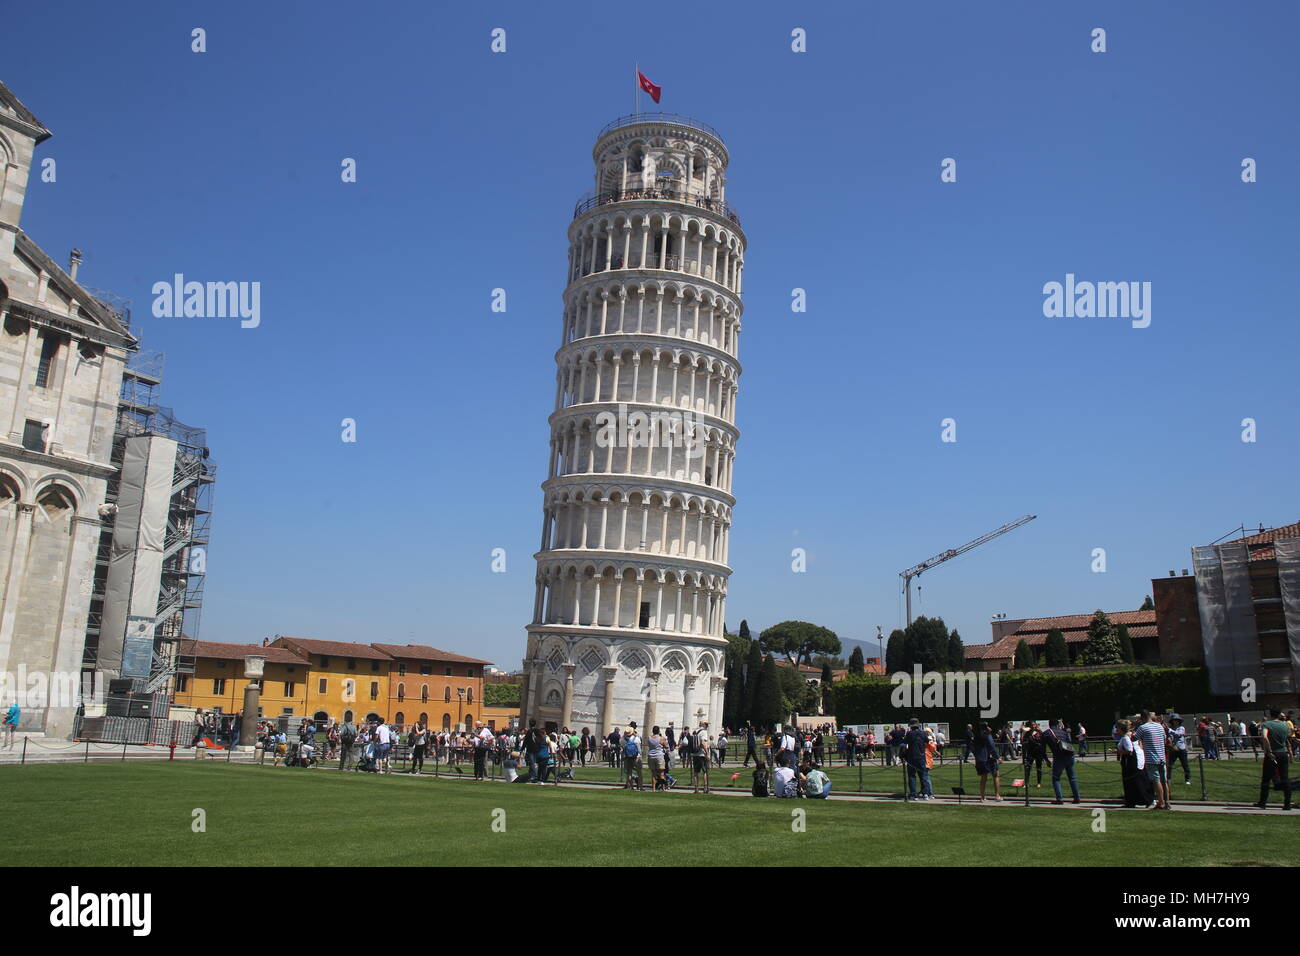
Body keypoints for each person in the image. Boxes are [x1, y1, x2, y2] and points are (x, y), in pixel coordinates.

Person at [1256, 708, 1292, 811]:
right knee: (1285, 778)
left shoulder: (1267, 724)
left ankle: (1262, 802)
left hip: (1272, 753)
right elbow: (1287, 737)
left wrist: (1269, 750)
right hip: (1283, 753)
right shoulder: (1284, 725)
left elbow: (1264, 737)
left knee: (1266, 779)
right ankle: (1287, 804)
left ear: (1270, 714)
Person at [1134, 711, 1170, 810]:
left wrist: (1136, 726)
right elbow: (1164, 739)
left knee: (1156, 781)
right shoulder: (1159, 726)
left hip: (1151, 758)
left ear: (1142, 718)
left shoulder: (1143, 727)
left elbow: (1133, 738)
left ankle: (1161, 802)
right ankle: (1167, 802)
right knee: (1164, 780)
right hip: (1161, 756)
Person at [1043, 718, 1080, 804]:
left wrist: (1046, 760)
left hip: (1059, 757)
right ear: (1057, 725)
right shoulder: (1063, 732)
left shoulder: (1047, 733)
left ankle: (1059, 799)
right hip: (1070, 755)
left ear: (1049, 725)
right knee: (1072, 777)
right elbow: (1069, 743)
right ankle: (1077, 798)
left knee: (1056, 778)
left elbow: (1042, 749)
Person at [901, 719, 932, 801]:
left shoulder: (909, 733)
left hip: (911, 757)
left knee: (912, 776)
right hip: (921, 757)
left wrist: (903, 755)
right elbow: (927, 741)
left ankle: (913, 795)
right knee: (923, 776)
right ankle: (925, 794)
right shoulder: (923, 733)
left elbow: (904, 744)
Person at [971, 721, 1001, 802]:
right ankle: (997, 795)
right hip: (989, 758)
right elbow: (991, 746)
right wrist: (998, 757)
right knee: (996, 775)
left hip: (980, 758)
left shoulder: (976, 736)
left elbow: (972, 747)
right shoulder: (987, 735)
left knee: (983, 778)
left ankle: (982, 797)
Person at [1166, 714, 1192, 785]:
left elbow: (1178, 734)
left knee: (1185, 765)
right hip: (1173, 748)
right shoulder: (1170, 728)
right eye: (1174, 720)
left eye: (1177, 720)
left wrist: (1169, 730)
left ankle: (1188, 779)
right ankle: (1168, 779)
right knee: (1169, 765)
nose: (1175, 722)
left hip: (1181, 749)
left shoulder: (1181, 728)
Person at [647, 725, 667, 790]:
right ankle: (663, 788)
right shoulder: (661, 738)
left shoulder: (649, 738)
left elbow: (648, 744)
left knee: (653, 773)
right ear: (658, 731)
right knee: (661, 773)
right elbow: (666, 746)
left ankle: (653, 788)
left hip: (651, 756)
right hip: (659, 756)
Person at [622, 725, 642, 790]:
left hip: (628, 757)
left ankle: (631, 787)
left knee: (629, 773)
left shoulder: (623, 740)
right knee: (639, 772)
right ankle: (640, 787)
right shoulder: (636, 739)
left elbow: (623, 747)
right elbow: (639, 750)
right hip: (636, 757)